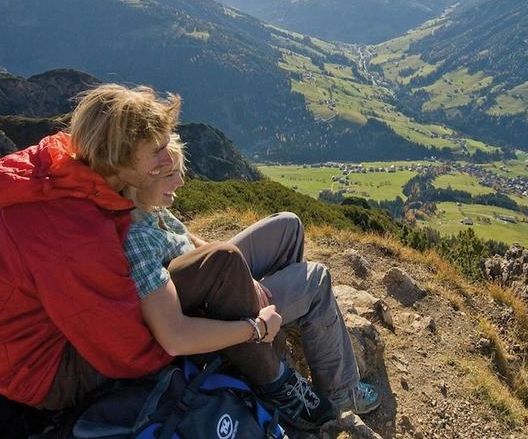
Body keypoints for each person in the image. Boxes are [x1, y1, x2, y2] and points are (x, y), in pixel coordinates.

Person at [122, 136, 381, 430]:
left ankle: (285, 325)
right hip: (210, 311)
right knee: (316, 279)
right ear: (139, 177)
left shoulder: (147, 205)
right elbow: (174, 332)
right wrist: (252, 321)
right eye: (171, 175)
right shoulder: (135, 238)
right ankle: (341, 392)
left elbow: (188, 239)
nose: (181, 182)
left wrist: (242, 273)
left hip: (214, 283)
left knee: (288, 225)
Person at [0, 84, 182, 410]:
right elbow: (125, 351)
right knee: (201, 282)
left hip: (20, 348)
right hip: (38, 372)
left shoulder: (68, 176)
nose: (167, 158)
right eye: (156, 150)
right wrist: (185, 344)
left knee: (187, 282)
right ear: (117, 154)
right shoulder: (74, 229)